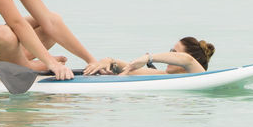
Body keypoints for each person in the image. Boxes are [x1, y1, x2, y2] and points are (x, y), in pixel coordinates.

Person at [87, 36, 215, 76]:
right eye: (171, 51)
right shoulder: (163, 76)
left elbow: (187, 59)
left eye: (174, 53)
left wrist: (148, 58)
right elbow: (129, 69)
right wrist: (109, 62)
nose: (170, 55)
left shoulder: (199, 74)